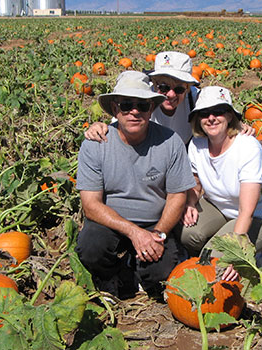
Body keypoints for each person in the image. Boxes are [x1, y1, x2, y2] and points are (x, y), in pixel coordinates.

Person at [75, 71, 196, 300]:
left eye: (141, 105)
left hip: (153, 223)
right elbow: (90, 206)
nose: (134, 111)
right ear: (114, 108)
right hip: (110, 221)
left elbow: (177, 196)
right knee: (91, 246)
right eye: (126, 104)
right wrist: (134, 233)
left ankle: (137, 273)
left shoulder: (170, 142)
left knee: (160, 275)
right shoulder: (95, 144)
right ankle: (109, 277)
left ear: (151, 108)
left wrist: (158, 234)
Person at [180, 86, 262, 281]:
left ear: (229, 115)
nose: (211, 118)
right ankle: (228, 241)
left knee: (215, 261)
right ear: (197, 118)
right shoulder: (197, 144)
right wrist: (191, 202)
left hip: (258, 217)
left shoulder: (247, 148)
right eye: (204, 113)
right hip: (219, 207)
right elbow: (196, 182)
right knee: (188, 233)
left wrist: (236, 253)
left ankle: (257, 255)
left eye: (218, 111)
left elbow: (247, 211)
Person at [84, 51, 255, 145]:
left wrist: (237, 125)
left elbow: (218, 111)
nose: (171, 94)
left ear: (187, 88)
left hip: (185, 155)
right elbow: (118, 123)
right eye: (163, 87)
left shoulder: (195, 98)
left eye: (179, 88)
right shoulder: (142, 99)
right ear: (154, 83)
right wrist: (99, 126)